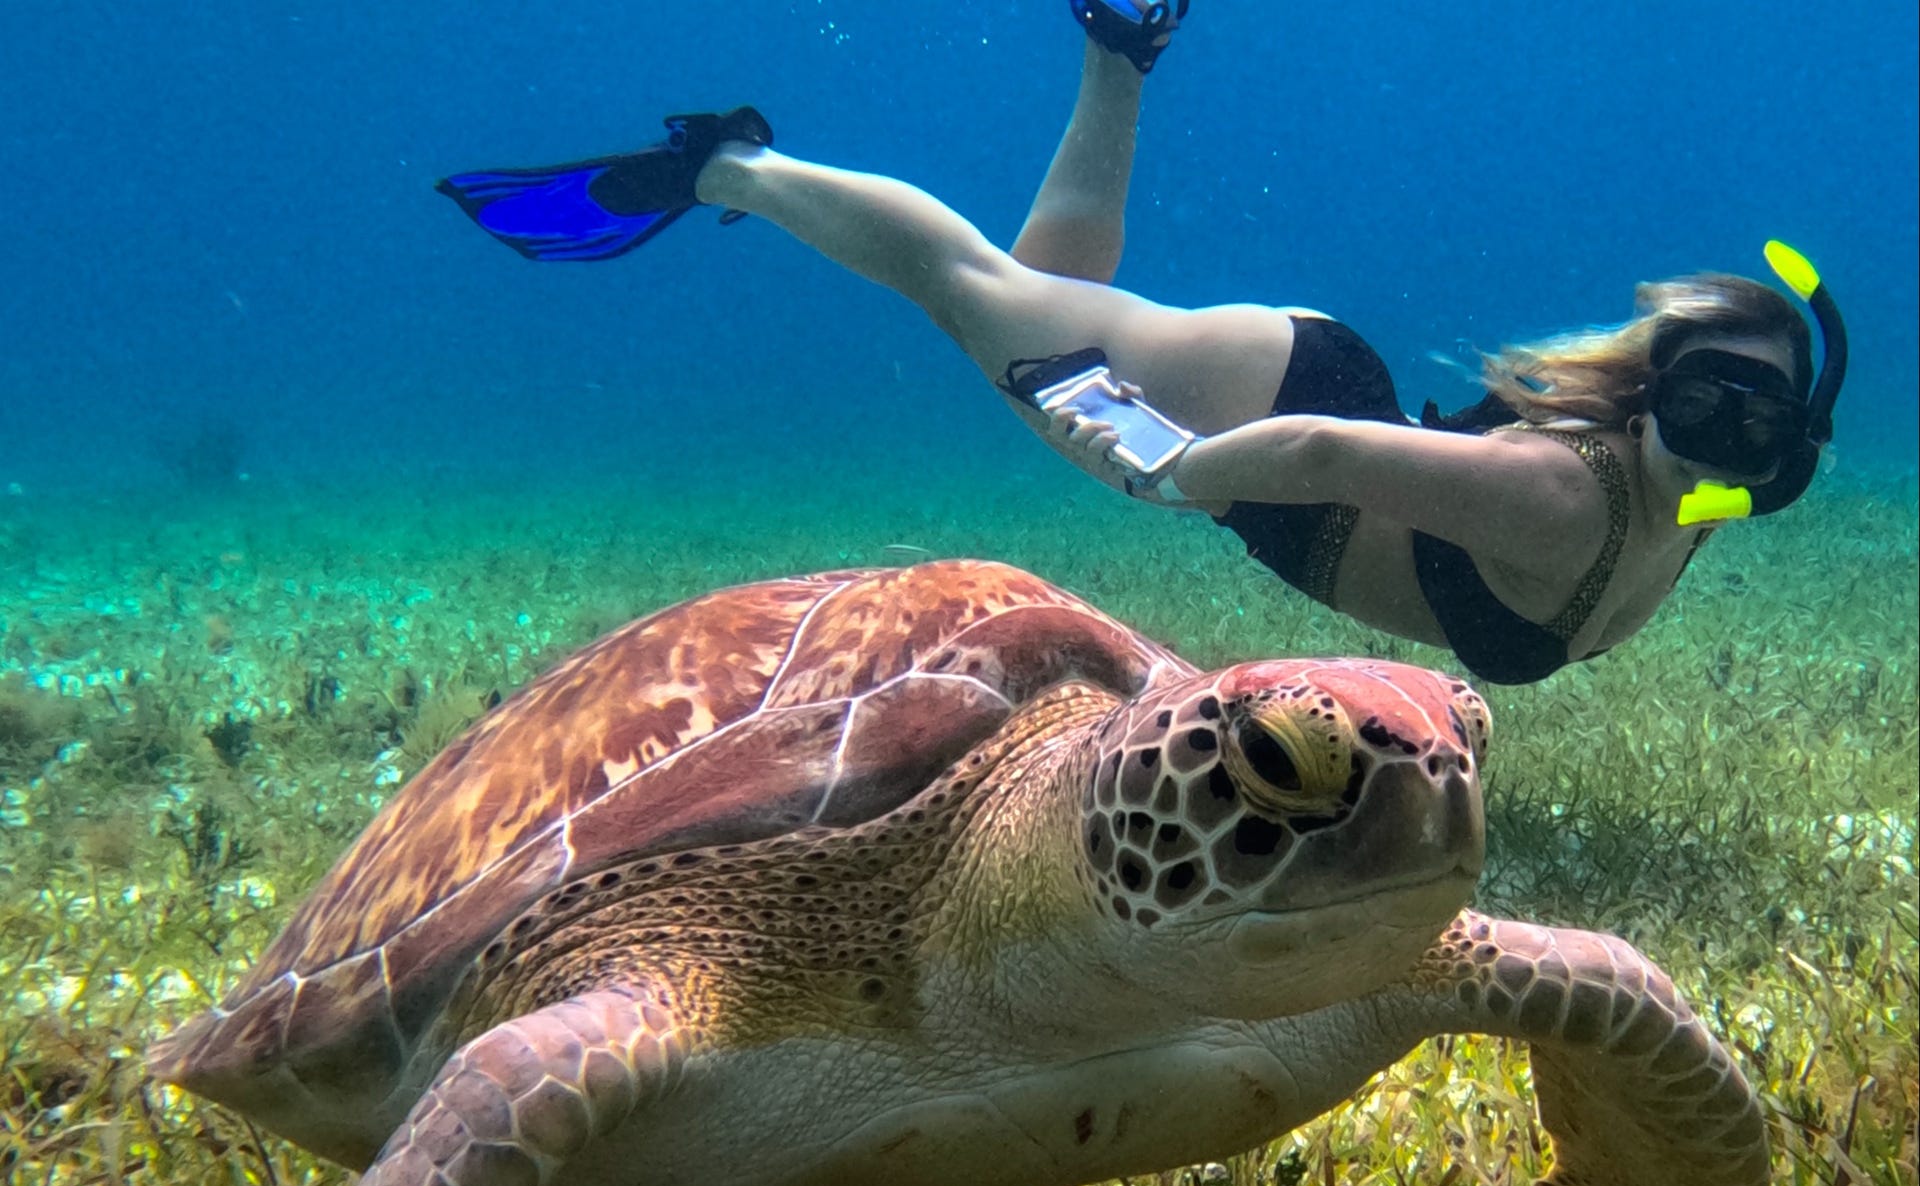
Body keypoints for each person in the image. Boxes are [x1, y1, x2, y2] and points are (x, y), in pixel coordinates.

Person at [435, 1, 1847, 685]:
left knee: (1039, 285)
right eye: (1710, 396)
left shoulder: (1702, 504)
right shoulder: (1564, 495)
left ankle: (1120, 50)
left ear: (1789, 456)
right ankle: (724, 166)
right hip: (1271, 406)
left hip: (1303, 396)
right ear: (1656, 388)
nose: (1727, 437)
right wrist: (1165, 476)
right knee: (963, 282)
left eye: (1761, 422)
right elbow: (1314, 449)